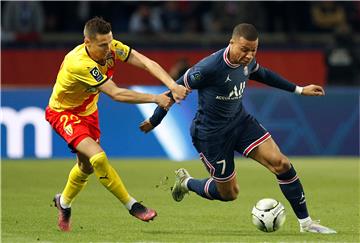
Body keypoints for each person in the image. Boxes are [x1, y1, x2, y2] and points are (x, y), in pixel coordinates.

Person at [140, 23, 337, 234]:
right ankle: (187, 182)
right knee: (229, 193)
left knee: (281, 164)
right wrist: (155, 119)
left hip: (240, 123)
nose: (249, 55)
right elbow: (174, 89)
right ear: (231, 43)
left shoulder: (247, 61)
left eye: (254, 50)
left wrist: (299, 89)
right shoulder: (208, 68)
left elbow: (263, 74)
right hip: (211, 135)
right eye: (244, 49)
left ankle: (306, 223)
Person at [45, 16, 188, 232]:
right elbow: (116, 93)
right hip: (64, 113)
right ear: (87, 43)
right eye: (103, 45)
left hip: (89, 111)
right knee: (98, 157)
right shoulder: (80, 63)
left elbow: (147, 63)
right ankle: (133, 205)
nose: (109, 48)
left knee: (85, 168)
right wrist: (156, 98)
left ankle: (63, 202)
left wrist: (172, 85)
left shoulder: (112, 48)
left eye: (110, 42)